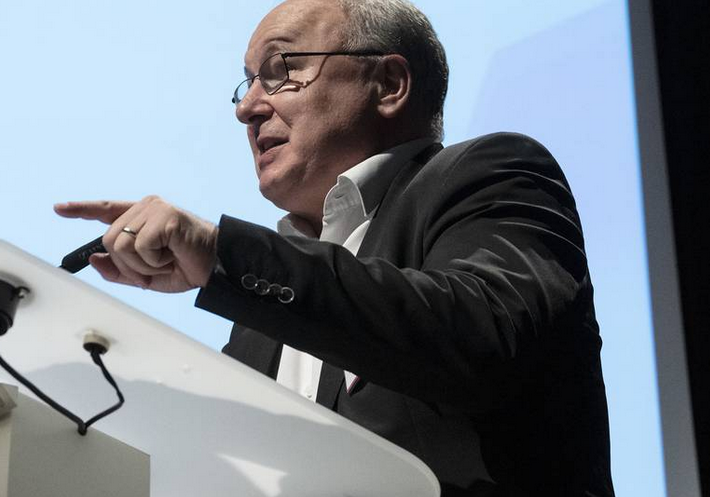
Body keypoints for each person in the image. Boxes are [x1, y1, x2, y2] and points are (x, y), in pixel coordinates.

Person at [55, 0, 615, 494]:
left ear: (389, 84)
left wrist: (222, 255)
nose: (247, 108)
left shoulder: (492, 174)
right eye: (247, 83)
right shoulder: (259, 318)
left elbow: (478, 337)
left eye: (281, 70)